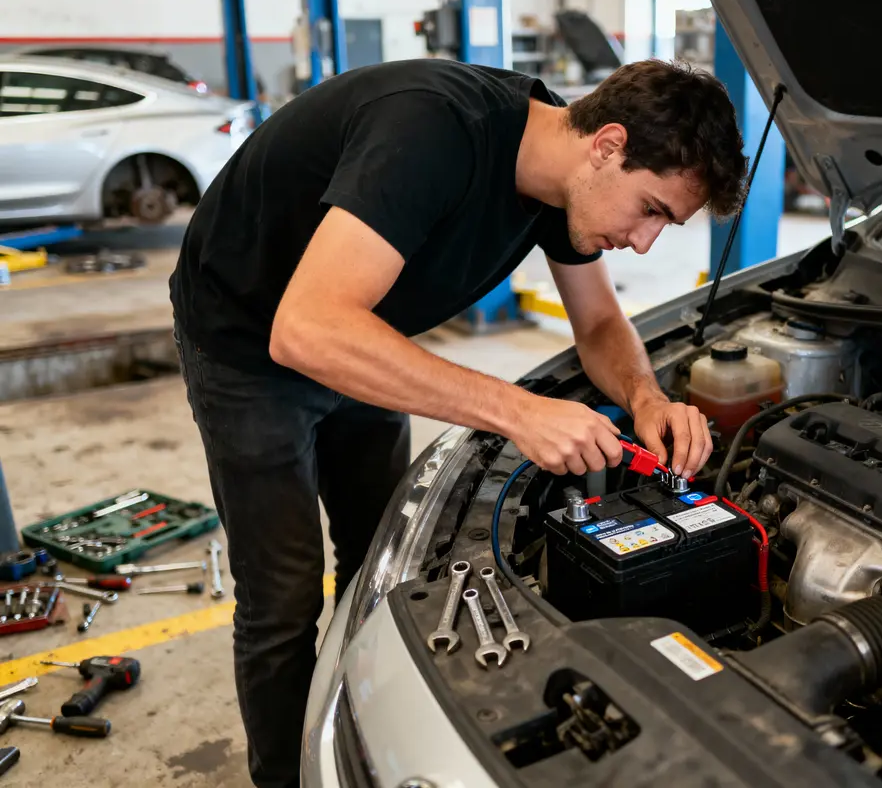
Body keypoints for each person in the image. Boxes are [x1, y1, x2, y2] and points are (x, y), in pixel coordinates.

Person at [168, 56, 747, 787]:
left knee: (380, 560)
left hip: (364, 332)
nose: (644, 243)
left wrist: (647, 398)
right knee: (283, 599)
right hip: (249, 340)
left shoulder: (564, 178)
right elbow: (306, 330)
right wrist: (518, 410)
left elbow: (599, 320)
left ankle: (368, 729)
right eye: (652, 210)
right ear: (607, 145)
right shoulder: (431, 133)